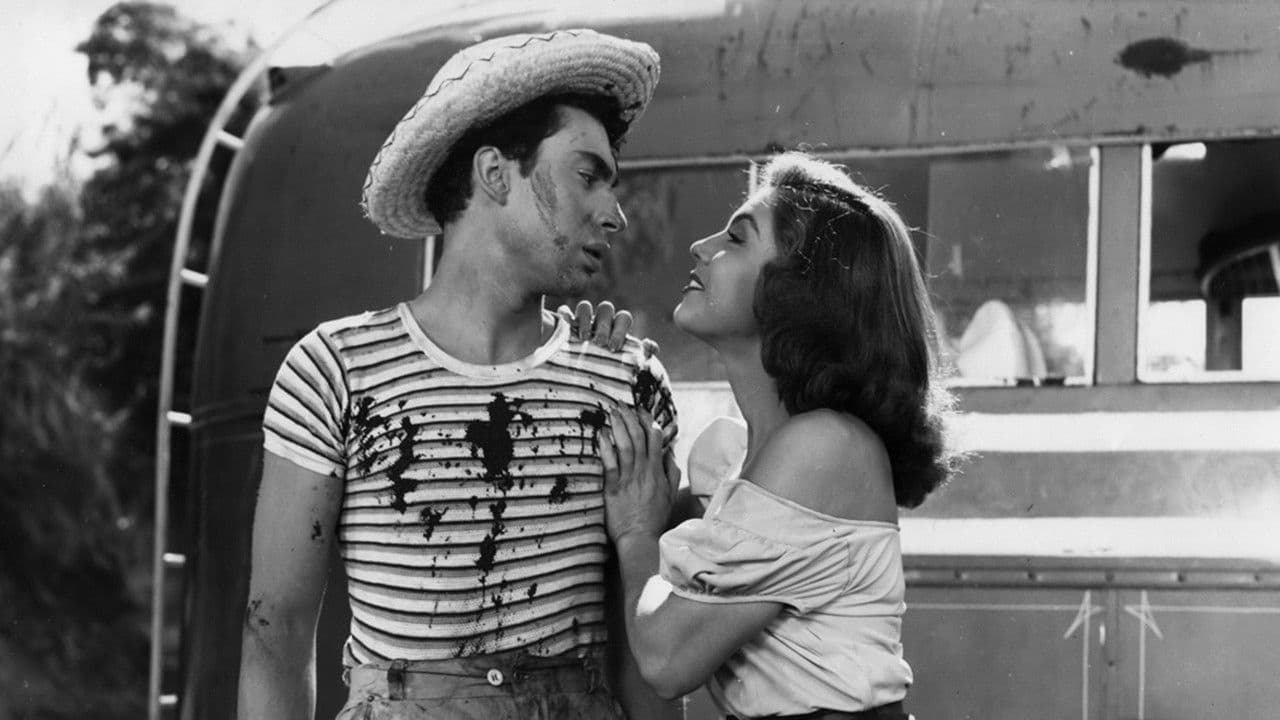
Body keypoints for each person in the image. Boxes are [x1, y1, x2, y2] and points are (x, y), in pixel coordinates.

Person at [237, 29, 683, 720]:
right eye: (587, 176)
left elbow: (647, 660)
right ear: (495, 173)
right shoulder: (335, 371)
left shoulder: (629, 383)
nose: (614, 213)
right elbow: (276, 636)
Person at [599, 152, 962, 720]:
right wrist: (598, 365)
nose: (700, 247)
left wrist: (636, 533)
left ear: (800, 291)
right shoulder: (731, 458)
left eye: (736, 238)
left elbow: (666, 660)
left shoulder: (826, 447)